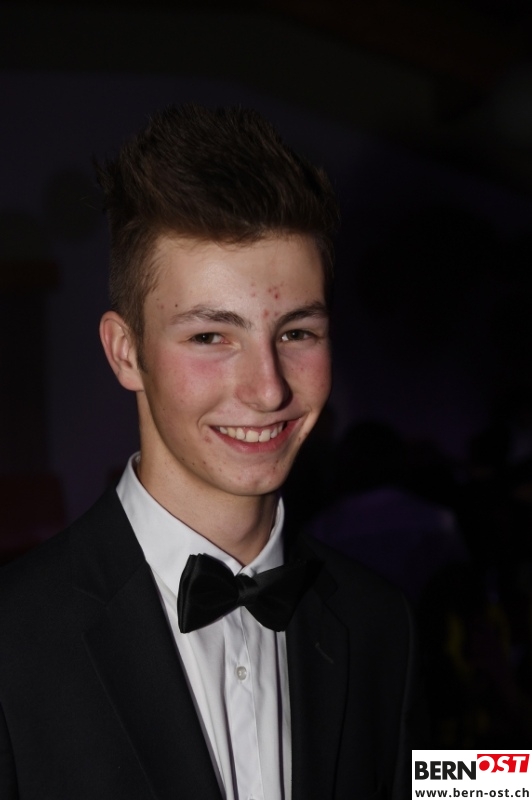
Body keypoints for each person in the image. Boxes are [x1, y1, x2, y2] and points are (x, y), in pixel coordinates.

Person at [0, 105, 425, 800]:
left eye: (296, 333)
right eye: (210, 337)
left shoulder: (380, 623)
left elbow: (448, 782)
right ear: (125, 352)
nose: (267, 389)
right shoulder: (14, 639)